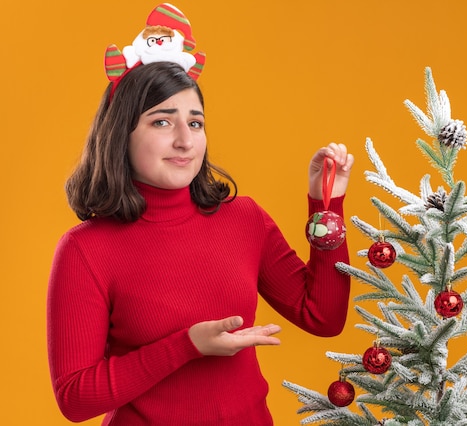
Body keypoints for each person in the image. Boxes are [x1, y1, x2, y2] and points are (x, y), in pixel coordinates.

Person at [46, 4, 354, 425]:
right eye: (161, 122)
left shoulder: (244, 219)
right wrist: (187, 345)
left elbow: (323, 316)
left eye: (195, 123)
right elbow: (75, 398)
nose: (184, 141)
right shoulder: (85, 250)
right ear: (122, 134)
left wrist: (326, 207)